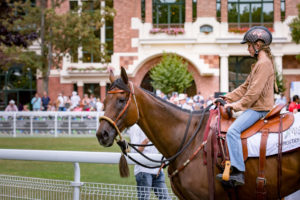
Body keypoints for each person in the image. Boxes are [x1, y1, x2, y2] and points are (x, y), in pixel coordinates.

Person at [215, 26, 275, 186]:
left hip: (260, 109)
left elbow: (253, 93)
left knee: (233, 131)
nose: (248, 49)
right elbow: (244, 87)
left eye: (249, 45)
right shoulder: (259, 64)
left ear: (258, 45)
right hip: (255, 107)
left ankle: (238, 172)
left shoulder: (264, 64)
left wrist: (234, 106)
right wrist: (226, 97)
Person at [127, 124, 171, 200]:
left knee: (166, 198)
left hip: (157, 171)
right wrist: (147, 140)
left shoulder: (154, 125)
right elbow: (135, 152)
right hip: (143, 171)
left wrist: (163, 160)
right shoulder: (135, 127)